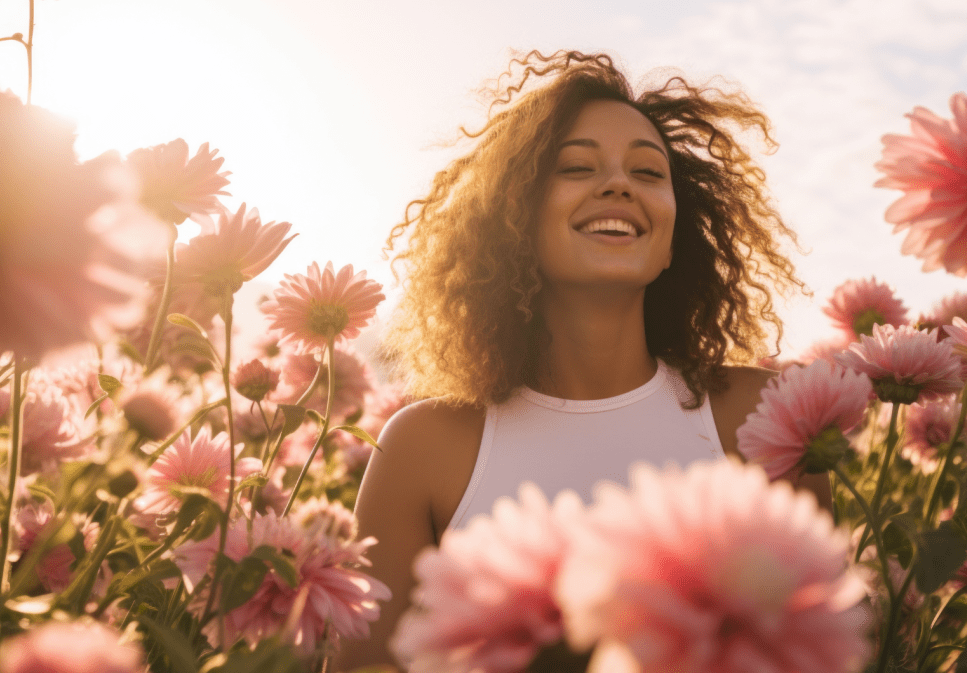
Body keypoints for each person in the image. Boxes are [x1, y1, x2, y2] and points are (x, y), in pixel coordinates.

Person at [338, 50, 830, 670]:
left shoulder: (759, 417)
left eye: (649, 173)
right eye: (575, 167)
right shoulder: (422, 449)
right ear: (513, 216)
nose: (619, 184)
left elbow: (819, 646)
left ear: (676, 235)